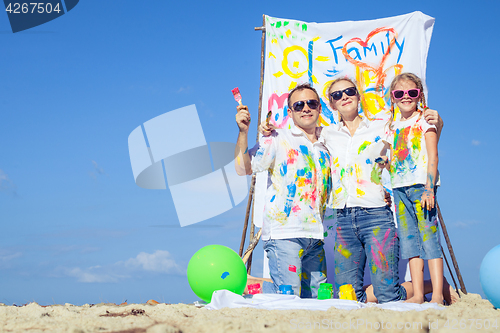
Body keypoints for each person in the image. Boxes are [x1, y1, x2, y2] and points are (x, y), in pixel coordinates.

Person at [235, 83, 332, 298]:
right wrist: (244, 132)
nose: (306, 108)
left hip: (315, 235)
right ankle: (243, 288)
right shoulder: (278, 138)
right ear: (291, 112)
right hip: (284, 234)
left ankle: (252, 284)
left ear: (319, 109)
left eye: (311, 103)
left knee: (318, 299)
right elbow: (243, 168)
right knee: (288, 297)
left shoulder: (327, 143)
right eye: (299, 105)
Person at [385, 73, 443, 304]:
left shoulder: (425, 120)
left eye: (412, 92)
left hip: (421, 187)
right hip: (399, 189)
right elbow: (391, 159)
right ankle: (418, 294)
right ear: (393, 98)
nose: (406, 97)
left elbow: (433, 155)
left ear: (420, 94)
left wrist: (429, 188)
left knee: (429, 239)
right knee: (410, 242)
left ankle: (437, 294)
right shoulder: (392, 126)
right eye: (400, 93)